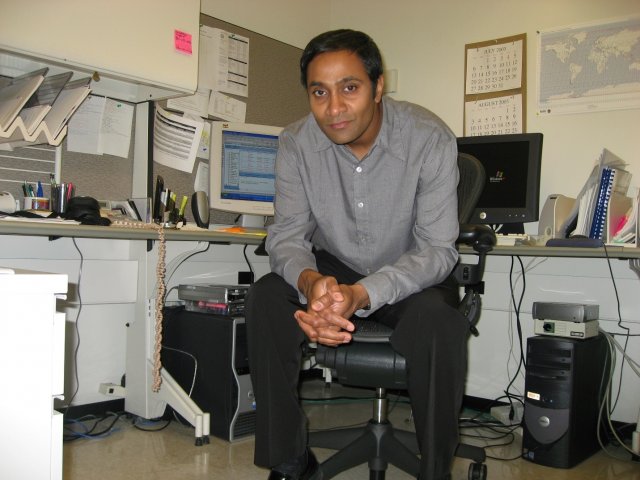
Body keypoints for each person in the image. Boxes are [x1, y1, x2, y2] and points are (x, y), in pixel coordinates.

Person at [245, 29, 468, 480]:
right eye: (319, 92)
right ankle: (289, 461)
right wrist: (311, 284)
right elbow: (286, 236)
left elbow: (437, 249)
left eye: (350, 88)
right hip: (333, 264)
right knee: (266, 297)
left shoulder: (429, 138)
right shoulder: (295, 143)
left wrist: (362, 294)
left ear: (378, 86)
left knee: (440, 322)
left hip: (410, 269)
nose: (334, 109)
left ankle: (436, 471)